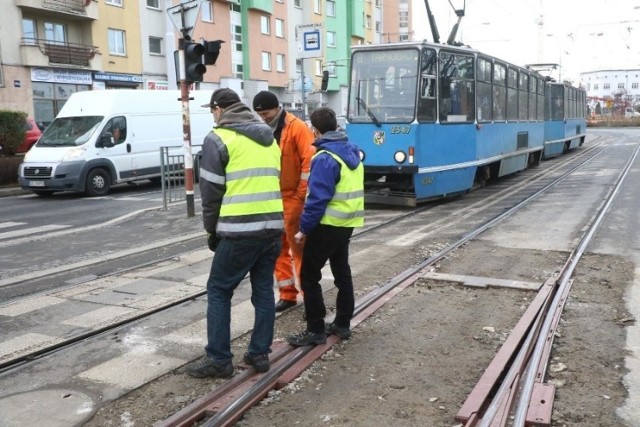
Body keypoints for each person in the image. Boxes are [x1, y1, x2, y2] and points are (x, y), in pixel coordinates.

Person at [187, 88, 284, 378]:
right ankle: (259, 354)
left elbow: (211, 193)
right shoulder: (269, 139)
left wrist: (212, 230)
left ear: (219, 109)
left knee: (218, 290)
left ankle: (219, 359)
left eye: (211, 111)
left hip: (239, 230)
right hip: (272, 229)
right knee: (264, 291)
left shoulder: (218, 139)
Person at [286, 107, 364, 347]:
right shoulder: (353, 153)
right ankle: (342, 324)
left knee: (309, 276)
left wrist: (303, 229)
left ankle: (315, 329)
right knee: (342, 272)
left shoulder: (324, 158)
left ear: (315, 130)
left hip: (326, 225)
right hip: (347, 223)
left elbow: (318, 199)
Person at [253, 91, 315, 312]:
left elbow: (309, 162)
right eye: (259, 114)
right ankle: (288, 294)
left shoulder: (296, 127)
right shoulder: (262, 130)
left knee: (299, 251)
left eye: (266, 113)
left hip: (291, 198)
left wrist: (300, 195)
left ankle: (309, 297)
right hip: (273, 199)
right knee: (276, 249)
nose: (263, 117)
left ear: (277, 108)